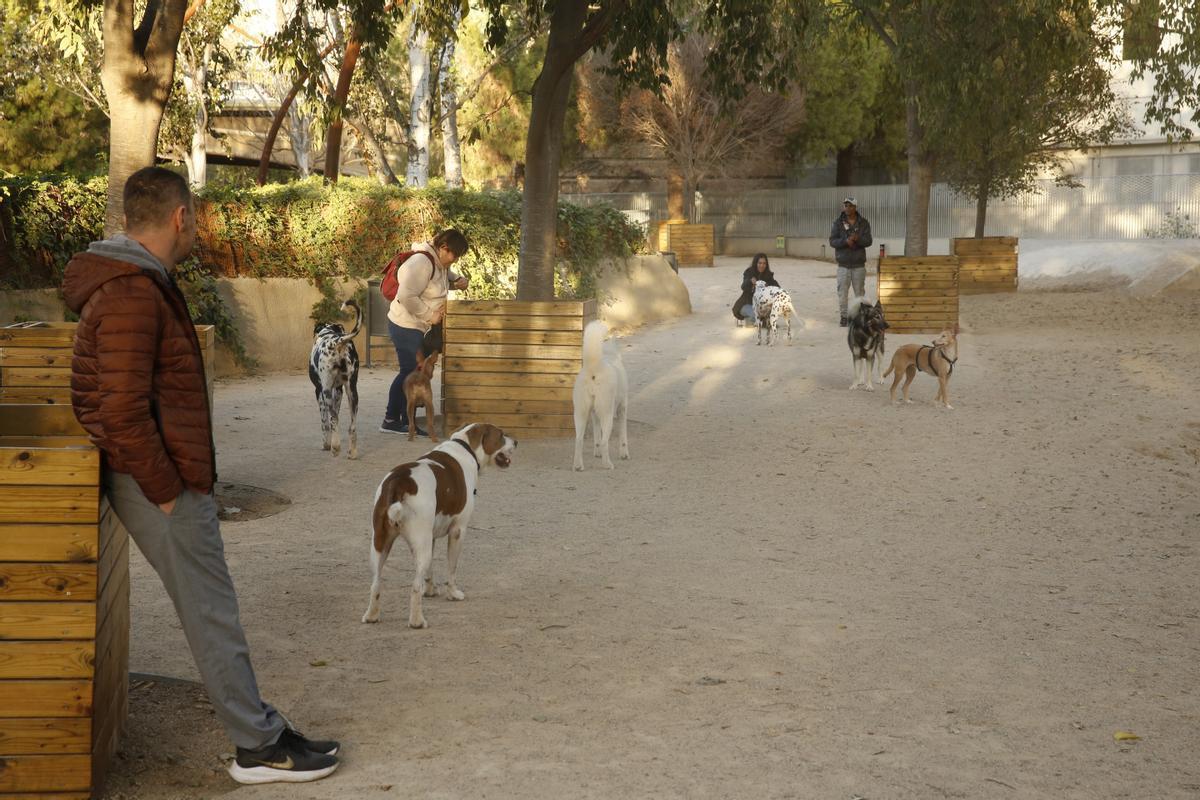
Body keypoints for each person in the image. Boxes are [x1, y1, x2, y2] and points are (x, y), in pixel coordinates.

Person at [62, 167, 340, 786]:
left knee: (213, 609)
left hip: (154, 478)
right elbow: (119, 409)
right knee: (212, 612)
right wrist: (164, 491)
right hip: (157, 484)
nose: (199, 229)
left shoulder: (136, 281)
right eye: (198, 218)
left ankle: (261, 731)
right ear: (180, 218)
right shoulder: (132, 290)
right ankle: (258, 747)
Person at [380, 229, 469, 436]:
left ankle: (404, 419)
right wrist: (431, 315)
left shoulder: (439, 264)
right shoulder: (421, 263)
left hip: (417, 326)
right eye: (454, 255)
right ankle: (391, 420)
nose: (454, 260)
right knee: (409, 371)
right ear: (443, 248)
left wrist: (457, 282)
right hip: (405, 324)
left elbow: (440, 281)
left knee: (415, 371)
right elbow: (406, 296)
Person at [829, 196, 873, 327]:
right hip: (843, 265)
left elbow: (869, 241)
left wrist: (857, 239)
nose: (847, 208)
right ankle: (844, 317)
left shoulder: (864, 223)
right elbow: (832, 241)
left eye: (850, 206)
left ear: (855, 207)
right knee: (842, 293)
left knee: (859, 293)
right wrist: (845, 242)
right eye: (846, 205)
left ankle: (859, 317)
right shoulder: (838, 223)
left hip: (859, 264)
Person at [731, 253, 779, 325]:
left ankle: (760, 320)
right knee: (756, 315)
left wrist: (768, 286)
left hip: (760, 306)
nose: (762, 265)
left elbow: (777, 288)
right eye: (759, 263)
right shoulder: (749, 272)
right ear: (755, 263)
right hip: (745, 304)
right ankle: (747, 319)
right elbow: (743, 286)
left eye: (764, 263)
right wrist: (750, 281)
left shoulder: (768, 275)